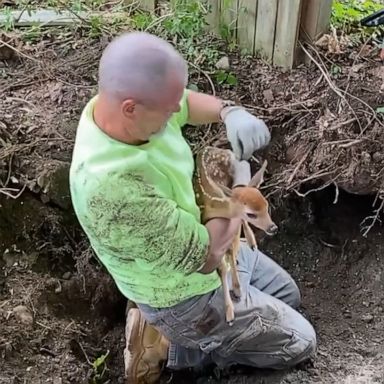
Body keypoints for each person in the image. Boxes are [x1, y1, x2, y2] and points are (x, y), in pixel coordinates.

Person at [69, 31, 316, 384]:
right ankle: (179, 345)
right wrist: (233, 195)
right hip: (183, 293)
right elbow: (207, 256)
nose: (176, 113)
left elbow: (182, 101)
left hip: (195, 235)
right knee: (300, 344)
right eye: (167, 111)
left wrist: (229, 112)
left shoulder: (121, 106)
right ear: (130, 108)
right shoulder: (114, 190)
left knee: (287, 295)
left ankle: (176, 339)